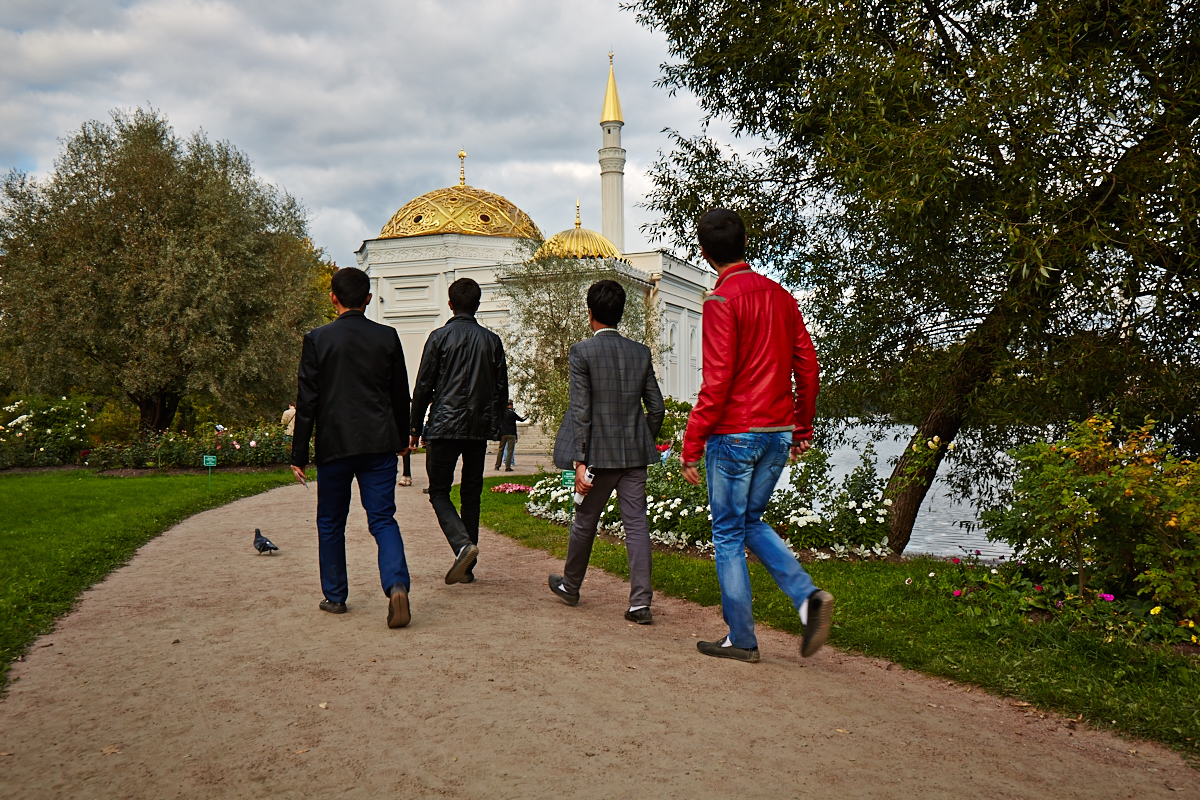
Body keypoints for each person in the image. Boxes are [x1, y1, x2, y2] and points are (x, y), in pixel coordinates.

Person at [681, 208, 832, 662]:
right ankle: (807, 600)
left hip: (735, 434)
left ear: (706, 254)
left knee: (727, 532)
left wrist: (692, 443)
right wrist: (801, 424)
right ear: (744, 242)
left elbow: (719, 379)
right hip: (776, 432)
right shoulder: (782, 296)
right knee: (749, 522)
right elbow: (808, 366)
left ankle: (742, 638)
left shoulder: (720, 301)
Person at [290, 267, 413, 629]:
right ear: (369, 299)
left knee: (330, 521)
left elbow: (307, 401)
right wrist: (404, 437)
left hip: (334, 443)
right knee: (382, 519)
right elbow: (398, 394)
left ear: (333, 298)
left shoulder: (317, 339)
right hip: (378, 443)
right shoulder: (387, 337)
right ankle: (396, 584)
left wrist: (298, 455)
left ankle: (335, 596)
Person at [549, 280, 665, 624]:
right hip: (634, 457)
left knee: (585, 521)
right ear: (621, 313)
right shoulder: (640, 352)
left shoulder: (581, 352)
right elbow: (656, 408)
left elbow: (581, 410)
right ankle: (640, 603)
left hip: (598, 458)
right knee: (637, 526)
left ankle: (571, 586)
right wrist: (642, 439)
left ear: (590, 314)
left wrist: (580, 460)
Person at [410, 277, 507, 585]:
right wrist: (492, 426)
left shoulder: (439, 337)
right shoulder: (492, 341)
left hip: (443, 425)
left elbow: (424, 385)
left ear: (450, 304)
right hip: (476, 428)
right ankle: (467, 566)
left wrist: (414, 427)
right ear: (477, 305)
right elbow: (500, 391)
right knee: (471, 494)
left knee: (439, 491)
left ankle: (462, 545)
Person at [494, 400, 527, 471]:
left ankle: (497, 465)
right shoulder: (512, 413)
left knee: (501, 449)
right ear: (510, 405)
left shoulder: (501, 413)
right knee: (510, 450)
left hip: (503, 433)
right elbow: (521, 419)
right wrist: (527, 415)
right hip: (511, 434)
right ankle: (507, 466)